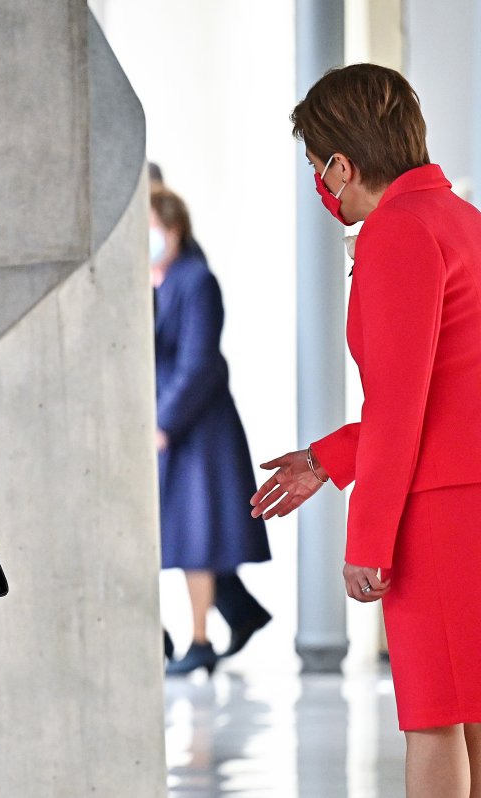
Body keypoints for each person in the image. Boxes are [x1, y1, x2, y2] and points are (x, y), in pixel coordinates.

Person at [252, 63, 481, 798]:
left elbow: (400, 405)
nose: (320, 185)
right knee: (474, 710)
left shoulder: (398, 231)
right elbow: (451, 392)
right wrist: (326, 458)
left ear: (342, 165)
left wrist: (368, 542)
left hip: (442, 512)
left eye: (316, 167)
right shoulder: (464, 222)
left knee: (435, 718)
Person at [150, 186, 272, 676]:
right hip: (177, 423)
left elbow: (199, 361)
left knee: (196, 533)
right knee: (192, 532)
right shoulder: (158, 281)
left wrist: (165, 421)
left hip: (196, 426)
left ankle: (201, 639)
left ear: (173, 230)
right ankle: (239, 614)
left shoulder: (196, 280)